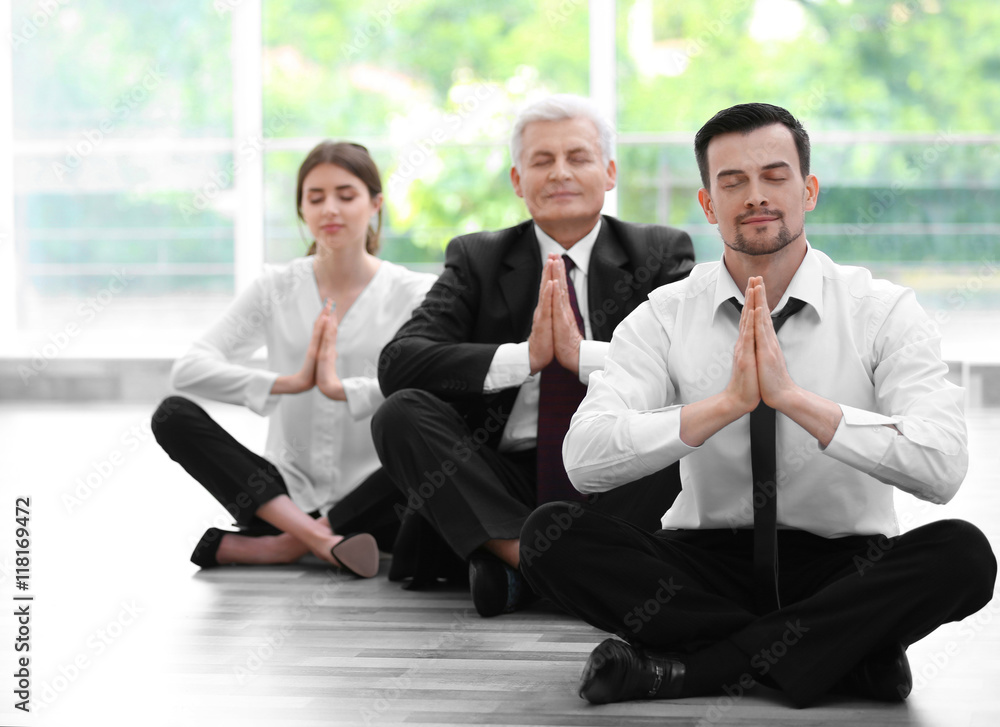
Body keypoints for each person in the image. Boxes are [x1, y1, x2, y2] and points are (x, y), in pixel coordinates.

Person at [519, 102, 998, 707]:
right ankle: (844, 658)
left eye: (775, 176)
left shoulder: (883, 311)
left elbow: (942, 468)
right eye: (733, 182)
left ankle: (690, 671)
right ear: (708, 204)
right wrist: (722, 406)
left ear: (809, 190)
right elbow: (585, 460)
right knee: (547, 537)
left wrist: (795, 402)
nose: (756, 196)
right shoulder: (666, 316)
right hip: (703, 571)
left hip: (842, 569)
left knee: (963, 555)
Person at [371, 94, 695, 616]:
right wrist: (524, 358)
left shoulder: (658, 251)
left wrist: (580, 356)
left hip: (617, 472)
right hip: (504, 484)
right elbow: (400, 362)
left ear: (609, 172)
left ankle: (519, 571)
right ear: (518, 181)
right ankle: (532, 557)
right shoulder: (478, 258)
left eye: (578, 157)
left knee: (698, 427)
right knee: (400, 412)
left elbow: (697, 365)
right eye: (542, 161)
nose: (560, 173)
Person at [152, 141, 437, 576]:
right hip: (281, 495)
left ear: (375, 203)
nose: (330, 210)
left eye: (346, 195)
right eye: (315, 197)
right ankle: (318, 539)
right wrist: (290, 382)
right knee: (171, 415)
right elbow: (188, 369)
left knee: (442, 445)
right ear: (302, 209)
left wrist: (345, 390)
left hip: (378, 494)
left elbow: (432, 386)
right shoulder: (274, 287)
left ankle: (283, 546)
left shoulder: (413, 292)